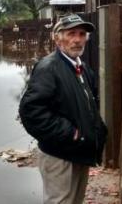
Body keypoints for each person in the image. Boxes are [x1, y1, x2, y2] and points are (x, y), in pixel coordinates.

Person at [19, 14, 108, 204]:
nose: (77, 40)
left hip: (79, 150)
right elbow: (31, 112)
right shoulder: (48, 68)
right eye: (71, 34)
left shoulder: (82, 68)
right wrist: (70, 133)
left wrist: (96, 131)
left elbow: (89, 104)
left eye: (82, 34)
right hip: (59, 154)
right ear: (58, 38)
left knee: (76, 200)